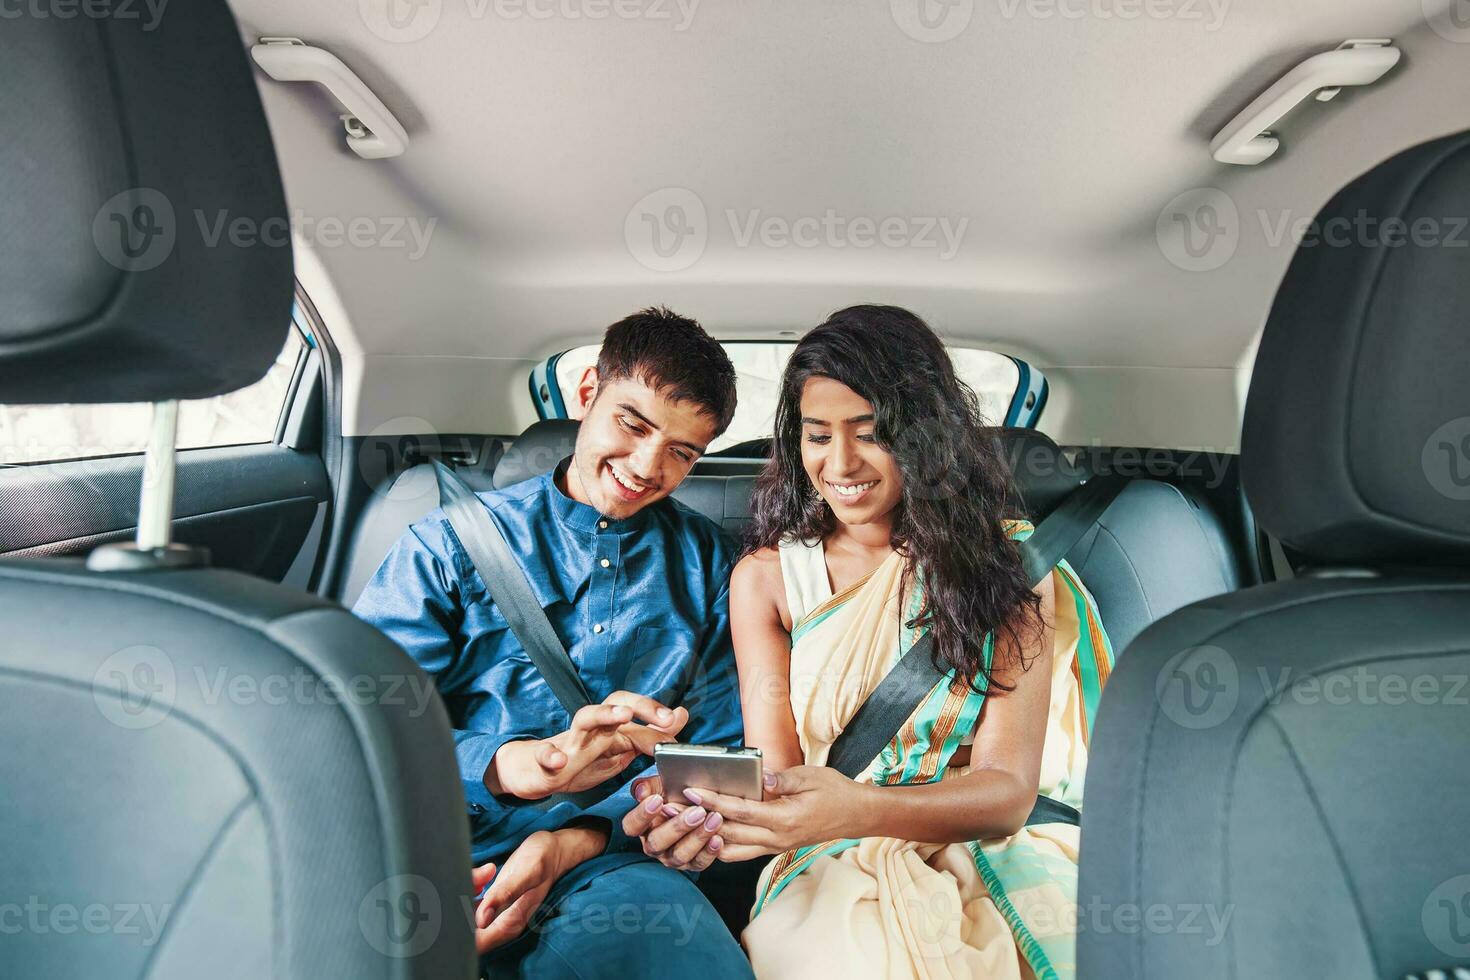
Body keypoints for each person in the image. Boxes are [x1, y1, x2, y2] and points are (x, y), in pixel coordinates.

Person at [636, 306, 1114, 979]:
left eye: (871, 434)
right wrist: (702, 824)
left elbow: (1006, 790)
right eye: (817, 436)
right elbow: (777, 778)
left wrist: (861, 806)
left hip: (996, 843)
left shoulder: (1011, 570)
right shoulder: (767, 581)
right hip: (827, 856)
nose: (840, 464)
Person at [354, 307, 754, 979]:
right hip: (428, 844)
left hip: (613, 862)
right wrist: (507, 766)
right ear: (588, 390)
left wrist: (572, 840)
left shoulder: (715, 570)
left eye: (682, 452)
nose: (646, 466)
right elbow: (364, 727)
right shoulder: (447, 545)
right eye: (633, 423)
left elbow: (720, 758)